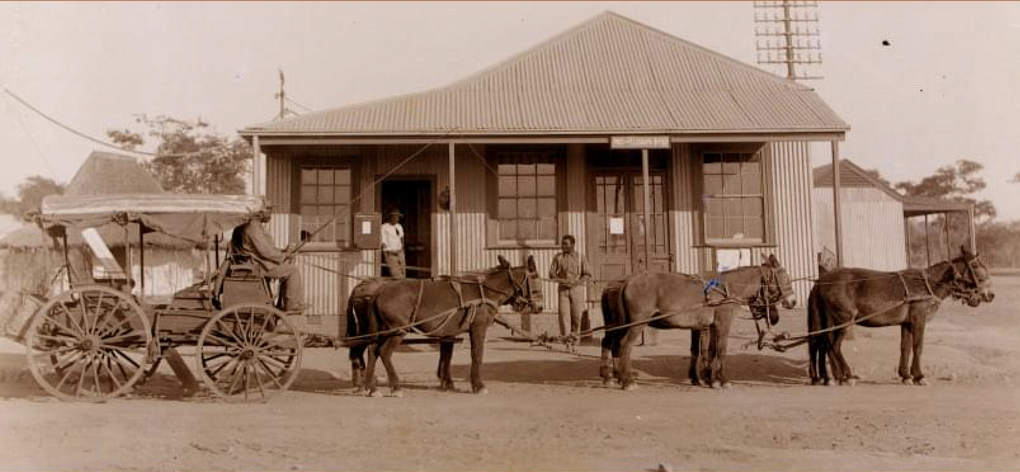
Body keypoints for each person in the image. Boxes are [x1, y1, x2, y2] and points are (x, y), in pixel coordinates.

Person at [234, 206, 308, 312]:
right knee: (293, 271)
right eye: (268, 211)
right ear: (260, 213)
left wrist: (283, 251)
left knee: (288, 269)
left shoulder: (255, 226)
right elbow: (265, 252)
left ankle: (285, 303)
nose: (270, 215)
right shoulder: (252, 228)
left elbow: (266, 249)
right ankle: (292, 305)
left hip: (258, 263)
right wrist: (284, 256)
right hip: (258, 266)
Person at [548, 234, 592, 344]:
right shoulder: (558, 257)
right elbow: (552, 274)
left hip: (577, 289)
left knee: (577, 316)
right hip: (563, 290)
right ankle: (566, 340)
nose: (563, 246)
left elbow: (587, 275)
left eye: (565, 244)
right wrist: (559, 279)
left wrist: (576, 283)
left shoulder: (581, 257)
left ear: (572, 245)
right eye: (562, 244)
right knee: (564, 316)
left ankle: (575, 339)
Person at [380, 209, 406, 278]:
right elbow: (383, 242)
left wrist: (402, 248)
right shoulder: (384, 227)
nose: (396, 219)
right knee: (397, 275)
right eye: (394, 217)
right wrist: (386, 253)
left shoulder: (399, 226)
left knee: (403, 272)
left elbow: (402, 237)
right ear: (390, 217)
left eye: (398, 217)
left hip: (400, 252)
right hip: (390, 253)